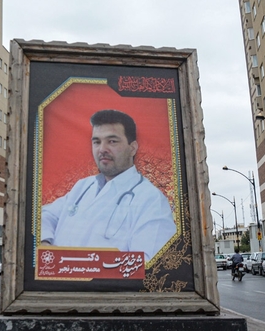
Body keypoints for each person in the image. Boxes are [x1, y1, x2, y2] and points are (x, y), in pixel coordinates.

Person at [40, 109, 176, 260]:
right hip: (56, 280)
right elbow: (45, 216)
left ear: (133, 148)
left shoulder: (151, 200)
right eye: (97, 142)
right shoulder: (83, 186)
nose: (102, 149)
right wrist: (45, 243)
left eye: (112, 141)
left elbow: (149, 265)